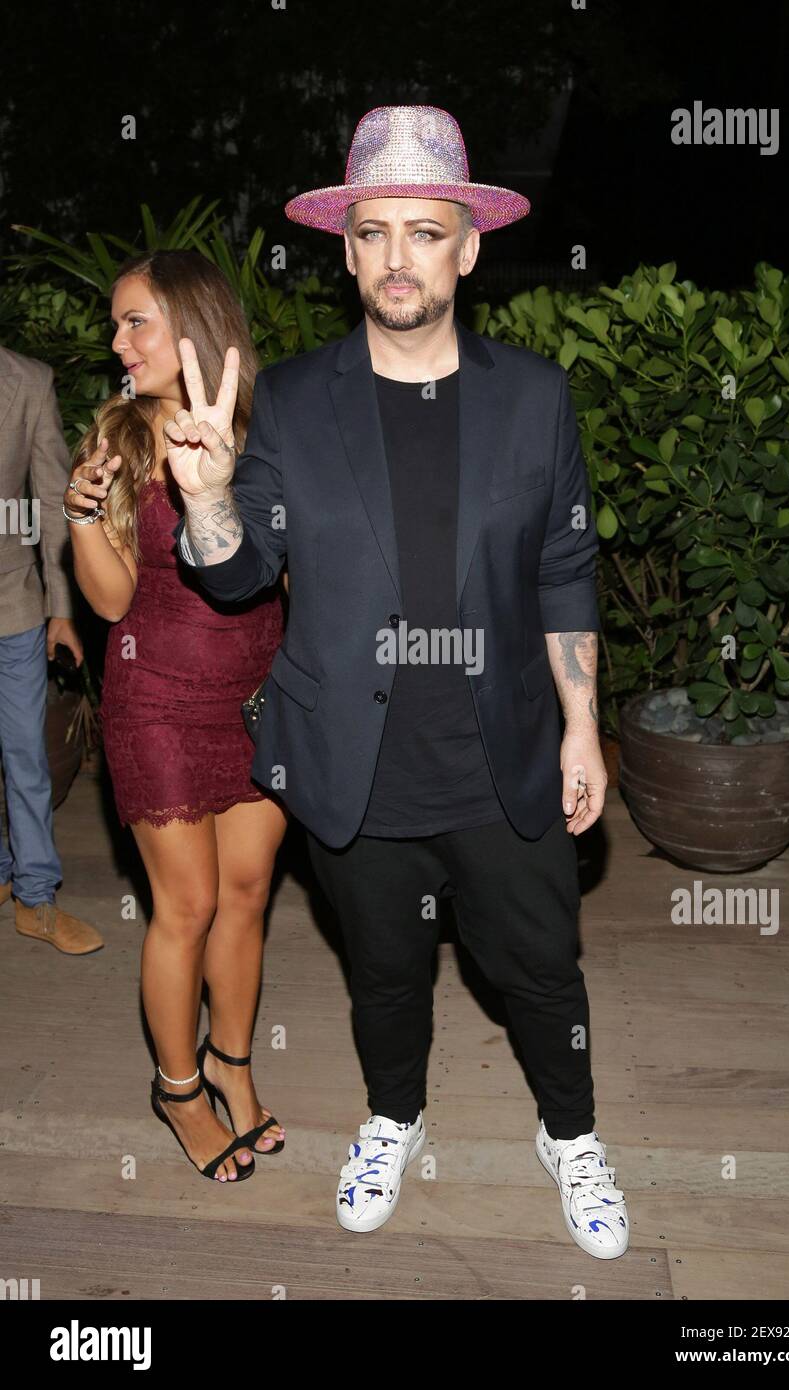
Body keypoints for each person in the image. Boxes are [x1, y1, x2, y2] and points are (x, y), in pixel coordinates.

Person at [167, 106, 628, 1255]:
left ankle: (567, 1134)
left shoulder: (533, 397)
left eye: (423, 233)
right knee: (382, 974)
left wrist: (580, 723)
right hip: (351, 766)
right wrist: (210, 495)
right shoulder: (293, 403)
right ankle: (393, 1116)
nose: (395, 259)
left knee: (539, 973)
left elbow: (565, 563)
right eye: (372, 233)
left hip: (502, 756)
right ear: (346, 249)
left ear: (467, 246)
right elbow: (239, 575)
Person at [65, 250, 287, 1183]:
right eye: (116, 325)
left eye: (135, 321)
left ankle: (234, 1066)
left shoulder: (265, 429)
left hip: (259, 698)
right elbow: (111, 605)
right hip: (154, 699)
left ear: (194, 324)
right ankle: (179, 1085)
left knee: (245, 896)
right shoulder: (115, 442)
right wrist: (80, 514)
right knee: (185, 905)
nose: (117, 343)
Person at [0, 342, 103, 953]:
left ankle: (36, 896)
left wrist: (62, 610)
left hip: (13, 602)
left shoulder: (29, 382)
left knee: (25, 756)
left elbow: (49, 503)